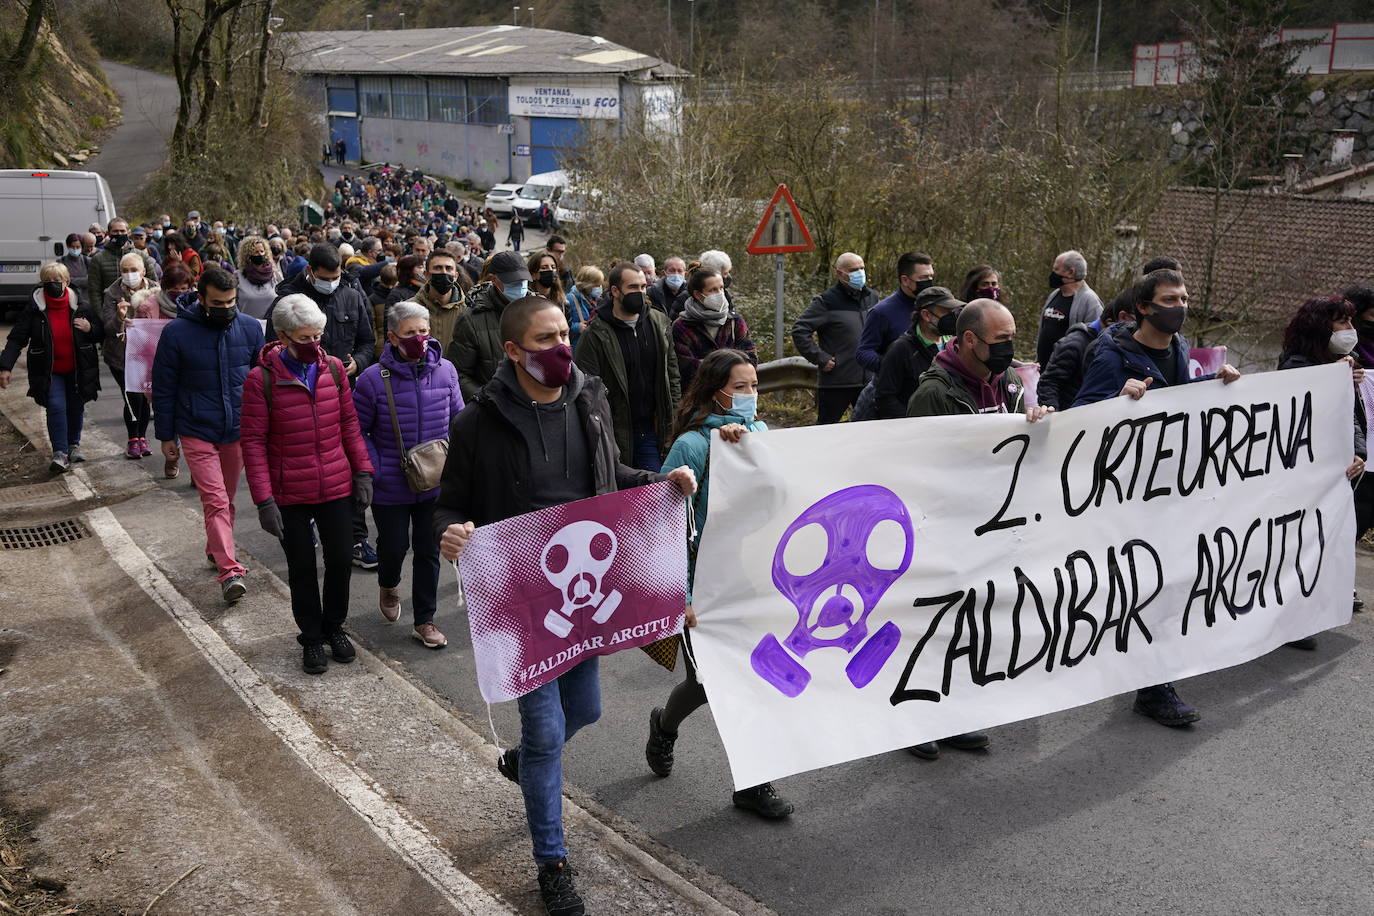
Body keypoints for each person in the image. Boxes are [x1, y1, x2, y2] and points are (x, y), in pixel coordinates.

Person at [433, 294, 696, 916]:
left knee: (587, 709)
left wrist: (663, 485)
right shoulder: (477, 423)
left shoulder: (592, 401)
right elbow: (451, 503)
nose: (561, 348)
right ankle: (553, 864)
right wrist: (453, 532)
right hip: (523, 606)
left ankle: (522, 764)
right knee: (549, 731)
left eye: (565, 335)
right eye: (547, 339)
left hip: (587, 600)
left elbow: (610, 478)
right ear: (513, 351)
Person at [1070, 268, 1242, 727]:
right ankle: (1148, 682)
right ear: (1145, 307)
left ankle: (1152, 681)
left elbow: (1178, 405)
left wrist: (1215, 386)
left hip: (1168, 490)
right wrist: (1115, 397)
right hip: (1125, 495)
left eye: (1185, 298)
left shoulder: (1180, 348)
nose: (1181, 306)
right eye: (1170, 299)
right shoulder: (1112, 355)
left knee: (1165, 586)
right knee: (1142, 588)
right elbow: (1079, 415)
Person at [644, 348, 793, 819]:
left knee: (753, 678)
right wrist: (681, 596)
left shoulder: (761, 434)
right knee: (707, 682)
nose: (751, 395)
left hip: (748, 579)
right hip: (700, 583)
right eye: (741, 387)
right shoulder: (691, 446)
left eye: (755, 386)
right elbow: (662, 526)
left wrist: (745, 447)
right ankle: (665, 726)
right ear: (716, 393)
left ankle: (753, 782)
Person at [904, 298, 1051, 757]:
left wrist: (1037, 422)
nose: (1010, 349)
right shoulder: (934, 394)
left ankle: (948, 715)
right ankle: (910, 722)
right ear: (969, 340)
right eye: (1000, 340)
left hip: (988, 526)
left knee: (969, 624)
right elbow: (917, 467)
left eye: (1012, 338)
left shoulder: (1007, 381)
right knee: (930, 624)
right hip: (945, 526)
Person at [242, 294, 374, 675]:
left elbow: (349, 424)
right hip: (289, 491)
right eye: (304, 338)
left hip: (335, 483)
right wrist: (264, 500)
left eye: (318, 335)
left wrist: (362, 472)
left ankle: (335, 627)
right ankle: (312, 637)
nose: (314, 344)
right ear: (282, 336)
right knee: (301, 566)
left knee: (338, 561)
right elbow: (252, 442)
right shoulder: (260, 380)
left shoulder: (333, 370)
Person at [353, 301, 464, 649]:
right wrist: (377, 468)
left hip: (436, 482)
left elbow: (458, 421)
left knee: (429, 551)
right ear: (392, 337)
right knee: (394, 546)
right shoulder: (372, 379)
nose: (419, 339)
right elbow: (357, 431)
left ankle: (425, 620)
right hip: (392, 484)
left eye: (423, 332)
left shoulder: (446, 370)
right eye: (410, 333)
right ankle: (388, 583)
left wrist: (461, 467)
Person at [150, 267, 265, 602]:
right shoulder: (176, 333)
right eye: (218, 302)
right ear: (200, 299)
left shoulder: (248, 328)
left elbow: (260, 382)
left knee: (225, 500)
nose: (226, 308)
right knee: (214, 500)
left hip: (237, 430)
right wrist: (166, 436)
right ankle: (230, 571)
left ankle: (215, 547)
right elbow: (164, 387)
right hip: (196, 429)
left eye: (231, 301)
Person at [268, 243, 379, 569]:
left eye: (337, 276)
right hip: (298, 402)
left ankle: (357, 537)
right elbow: (271, 352)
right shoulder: (287, 302)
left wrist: (356, 364)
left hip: (345, 395)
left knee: (351, 467)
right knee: (306, 467)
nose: (332, 281)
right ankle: (307, 524)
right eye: (325, 277)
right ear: (310, 272)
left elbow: (367, 341)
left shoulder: (350, 293)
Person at [1276, 294, 1367, 642]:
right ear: (1320, 328)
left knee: (1321, 542)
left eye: (1350, 322)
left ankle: (1307, 612)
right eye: (1342, 323)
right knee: (1297, 543)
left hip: (1336, 473)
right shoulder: (1297, 366)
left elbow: (1353, 418)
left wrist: (1358, 452)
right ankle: (1291, 619)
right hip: (1303, 473)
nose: (1350, 330)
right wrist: (1334, 378)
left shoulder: (1346, 365)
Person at [574, 261, 682, 471]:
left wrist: (674, 418)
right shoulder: (596, 335)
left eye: (643, 287)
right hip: (616, 431)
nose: (640, 293)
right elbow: (587, 390)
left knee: (654, 490)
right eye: (633, 287)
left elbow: (672, 373)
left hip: (653, 429)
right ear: (615, 291)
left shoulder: (658, 323)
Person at [0, 261, 104, 473]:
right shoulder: (35, 309)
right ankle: (60, 453)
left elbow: (100, 334)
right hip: (49, 371)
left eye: (58, 280)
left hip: (78, 369)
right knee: (56, 406)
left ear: (67, 282)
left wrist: (90, 328)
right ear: (42, 283)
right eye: (48, 281)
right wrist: (5, 367)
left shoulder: (80, 306)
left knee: (76, 407)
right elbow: (16, 339)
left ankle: (73, 445)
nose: (53, 284)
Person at [792, 252, 879, 424]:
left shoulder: (872, 297)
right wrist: (821, 358)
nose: (860, 273)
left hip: (869, 379)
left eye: (862, 268)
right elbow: (800, 330)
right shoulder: (826, 302)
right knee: (826, 430)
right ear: (840, 273)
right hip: (837, 382)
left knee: (870, 429)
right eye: (854, 270)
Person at [98, 252, 158, 458]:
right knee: (131, 395)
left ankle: (142, 438)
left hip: (147, 353)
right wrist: (119, 317)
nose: (130, 274)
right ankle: (133, 439)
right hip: (120, 356)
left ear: (143, 271)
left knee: (143, 397)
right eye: (125, 270)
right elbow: (107, 327)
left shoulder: (154, 290)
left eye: (134, 270)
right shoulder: (112, 293)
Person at [451, 250, 532, 403]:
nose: (521, 286)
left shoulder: (539, 311)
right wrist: (487, 400)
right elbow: (459, 373)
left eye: (524, 281)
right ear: (494, 280)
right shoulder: (472, 319)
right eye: (513, 282)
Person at [1036, 288, 1136, 411]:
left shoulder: (1115, 347)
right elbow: (1049, 383)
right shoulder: (1074, 344)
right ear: (1112, 321)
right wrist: (1054, 416)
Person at [873, 286, 961, 420]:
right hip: (916, 430)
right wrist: (911, 422)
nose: (951, 317)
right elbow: (884, 397)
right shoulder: (900, 349)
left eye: (952, 311)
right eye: (946, 312)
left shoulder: (955, 345)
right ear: (926, 315)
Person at [671, 266, 756, 390]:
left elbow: (751, 356)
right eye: (713, 290)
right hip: (697, 397)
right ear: (698, 295)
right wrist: (729, 365)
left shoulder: (734, 321)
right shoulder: (682, 327)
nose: (720, 294)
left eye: (721, 288)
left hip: (734, 395)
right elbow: (685, 366)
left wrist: (712, 365)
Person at [856, 251, 935, 375]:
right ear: (905, 280)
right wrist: (891, 366)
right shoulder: (882, 312)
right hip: (894, 389)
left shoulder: (935, 307)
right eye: (923, 278)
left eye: (931, 277)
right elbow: (863, 352)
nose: (929, 282)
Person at [1036, 249, 1103, 366]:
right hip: (1043, 369)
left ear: (1071, 273)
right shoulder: (1055, 294)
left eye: (1056, 269)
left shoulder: (1090, 301)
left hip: (1066, 372)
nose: (1053, 273)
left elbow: (1096, 340)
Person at [86, 217, 157, 310]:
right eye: (115, 231)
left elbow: (154, 284)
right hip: (110, 312)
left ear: (128, 232)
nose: (119, 234)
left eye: (122, 231)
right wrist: (103, 317)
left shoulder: (141, 256)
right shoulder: (98, 259)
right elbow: (94, 292)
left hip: (140, 312)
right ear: (108, 233)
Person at [412, 250, 467, 365]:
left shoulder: (468, 310)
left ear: (456, 276)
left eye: (449, 268)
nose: (444, 272)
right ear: (426, 275)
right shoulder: (410, 309)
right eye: (437, 268)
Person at [670, 250, 733, 319]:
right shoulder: (684, 299)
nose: (727, 277)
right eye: (725, 273)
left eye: (721, 288)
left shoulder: (725, 295)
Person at [235, 235, 282, 319]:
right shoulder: (238, 276)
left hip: (270, 326)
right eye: (255, 252)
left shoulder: (275, 274)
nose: (260, 254)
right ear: (247, 255)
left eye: (261, 251)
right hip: (246, 325)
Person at [528, 249, 571, 320]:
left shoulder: (564, 304)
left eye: (553, 267)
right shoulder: (526, 303)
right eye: (544, 267)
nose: (550, 270)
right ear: (533, 275)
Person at [567, 265, 602, 350]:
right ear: (587, 284)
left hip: (593, 345)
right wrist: (577, 327)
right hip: (578, 346)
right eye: (596, 285)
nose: (599, 288)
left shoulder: (595, 299)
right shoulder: (570, 299)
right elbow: (563, 325)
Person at [58, 233, 90, 308]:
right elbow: (62, 281)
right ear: (68, 246)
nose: (75, 249)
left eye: (78, 247)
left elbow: (91, 281)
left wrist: (71, 280)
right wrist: (84, 280)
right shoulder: (61, 261)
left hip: (85, 300)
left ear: (82, 247)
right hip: (67, 300)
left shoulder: (87, 261)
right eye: (72, 247)